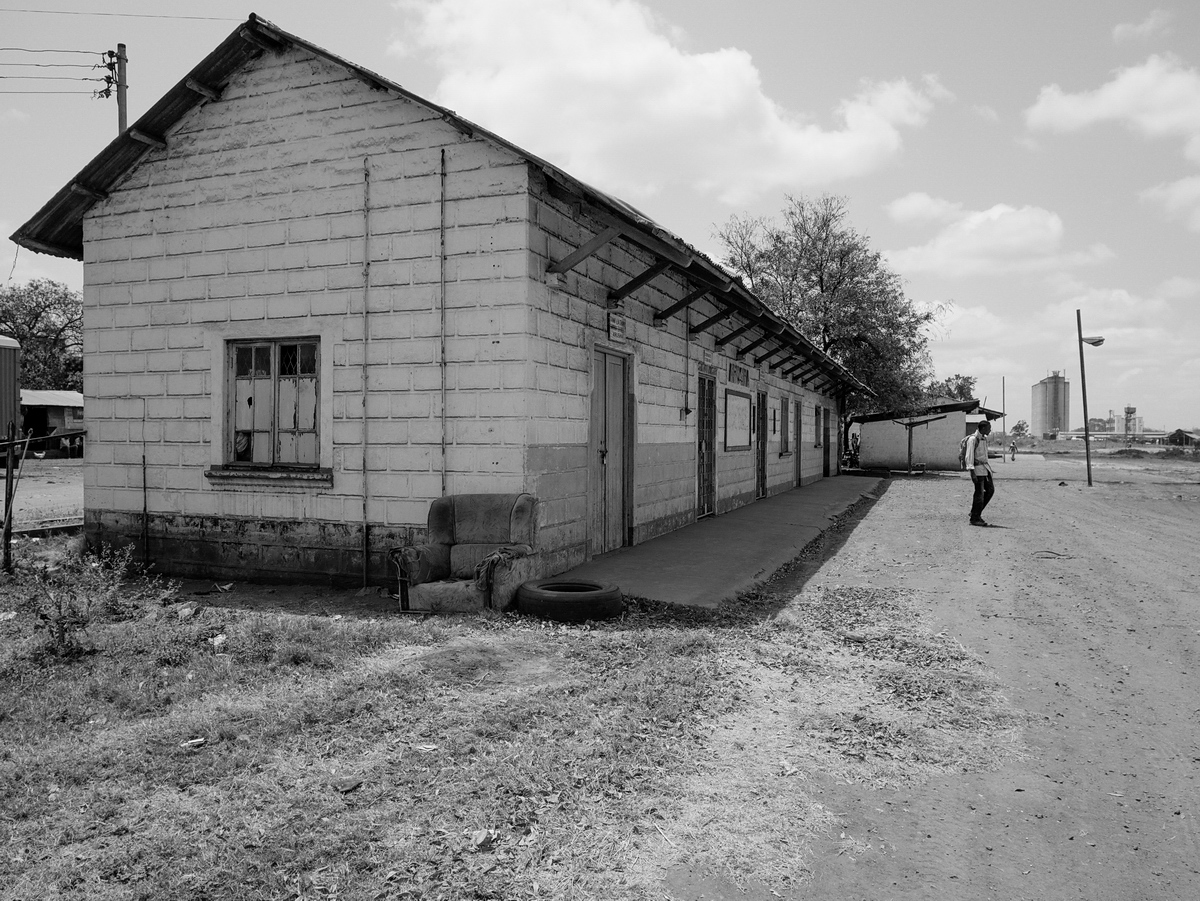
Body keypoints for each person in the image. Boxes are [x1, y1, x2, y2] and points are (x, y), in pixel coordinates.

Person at [964, 420, 995, 526]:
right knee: (979, 494)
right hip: (977, 470)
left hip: (985, 469)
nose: (990, 430)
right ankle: (975, 518)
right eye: (989, 428)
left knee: (990, 490)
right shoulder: (973, 439)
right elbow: (969, 456)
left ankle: (975, 512)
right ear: (983, 428)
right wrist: (972, 472)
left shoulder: (984, 439)